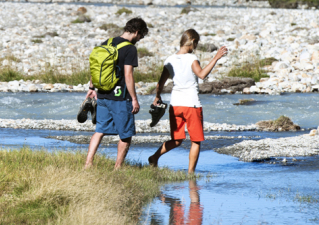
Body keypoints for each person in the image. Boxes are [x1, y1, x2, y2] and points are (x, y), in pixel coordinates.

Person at [147, 29, 228, 173]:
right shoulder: (192, 58)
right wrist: (215, 58)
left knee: (177, 140)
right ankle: (190, 173)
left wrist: (157, 97)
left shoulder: (169, 60)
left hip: (175, 105)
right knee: (195, 140)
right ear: (193, 42)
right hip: (192, 104)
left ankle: (154, 157)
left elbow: (160, 84)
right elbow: (202, 75)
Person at [84, 17, 148, 170]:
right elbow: (128, 75)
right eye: (141, 37)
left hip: (103, 95)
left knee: (100, 130)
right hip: (120, 98)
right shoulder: (130, 49)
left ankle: (88, 164)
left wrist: (92, 88)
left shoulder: (108, 42)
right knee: (125, 134)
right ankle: (117, 168)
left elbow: (96, 67)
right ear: (137, 32)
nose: (139, 40)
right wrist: (134, 99)